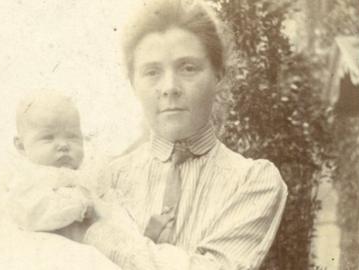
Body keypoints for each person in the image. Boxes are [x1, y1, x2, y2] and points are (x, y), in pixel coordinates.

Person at [81, 1, 288, 269]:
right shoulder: (107, 179)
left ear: (219, 74)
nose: (169, 87)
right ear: (133, 83)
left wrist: (97, 235)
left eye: (188, 68)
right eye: (152, 72)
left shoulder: (253, 181)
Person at [7, 91, 95, 242]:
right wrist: (78, 206)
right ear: (21, 146)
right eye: (48, 138)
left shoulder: (85, 171)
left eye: (72, 137)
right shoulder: (29, 178)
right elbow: (31, 212)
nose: (63, 145)